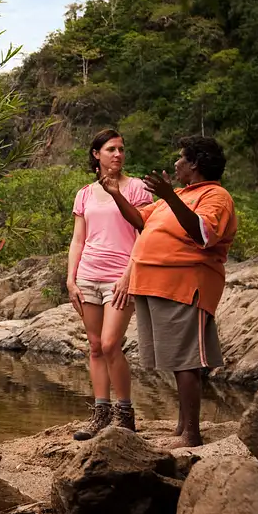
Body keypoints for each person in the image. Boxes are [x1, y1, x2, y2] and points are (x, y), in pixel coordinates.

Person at [100, 136, 237, 448]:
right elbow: (140, 220)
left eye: (181, 158)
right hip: (153, 285)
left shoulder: (216, 197)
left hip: (185, 285)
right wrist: (116, 195)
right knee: (175, 359)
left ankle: (191, 434)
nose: (175, 164)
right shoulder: (176, 196)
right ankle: (181, 428)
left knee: (186, 360)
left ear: (195, 164)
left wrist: (169, 197)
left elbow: (203, 234)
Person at [67, 129, 153, 441]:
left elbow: (146, 231)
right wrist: (70, 279)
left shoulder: (138, 188)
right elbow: (78, 239)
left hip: (121, 276)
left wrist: (129, 275)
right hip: (88, 275)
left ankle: (125, 414)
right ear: (96, 154)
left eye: (121, 149)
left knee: (109, 344)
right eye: (111, 149)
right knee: (93, 346)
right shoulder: (85, 194)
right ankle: (100, 414)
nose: (118, 154)